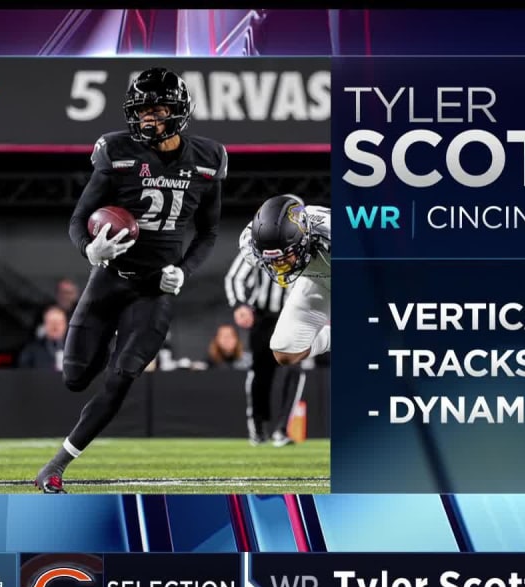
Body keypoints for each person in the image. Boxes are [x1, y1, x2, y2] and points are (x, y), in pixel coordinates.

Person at [33, 67, 229, 494]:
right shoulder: (117, 151)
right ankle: (104, 346)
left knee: (122, 377)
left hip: (154, 289)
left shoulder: (208, 160)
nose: (146, 120)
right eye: (141, 111)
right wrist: (89, 249)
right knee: (75, 377)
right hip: (109, 279)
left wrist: (185, 269)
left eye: (157, 110)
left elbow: (209, 232)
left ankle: (57, 466)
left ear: (178, 112)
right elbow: (79, 219)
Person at [224, 208, 310, 446]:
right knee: (261, 373)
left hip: (295, 316)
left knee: (294, 370)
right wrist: (240, 304)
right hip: (263, 317)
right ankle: (258, 425)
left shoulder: (309, 243)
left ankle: (282, 430)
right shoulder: (257, 244)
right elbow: (235, 277)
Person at [241, 194, 331, 368]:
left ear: (305, 240)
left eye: (285, 256)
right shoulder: (250, 244)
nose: (278, 264)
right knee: (285, 353)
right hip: (317, 280)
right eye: (272, 260)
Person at [18, 306, 67, 370]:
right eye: (51, 322)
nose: (55, 327)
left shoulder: (76, 349)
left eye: (59, 323)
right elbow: (23, 373)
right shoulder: (31, 350)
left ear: (65, 325)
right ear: (44, 325)